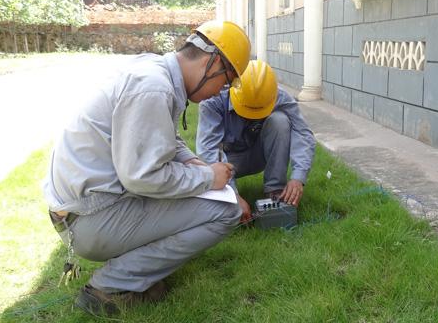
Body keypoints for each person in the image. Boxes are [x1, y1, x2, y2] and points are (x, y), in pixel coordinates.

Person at [42, 20, 251, 317]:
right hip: (90, 219)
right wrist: (208, 177)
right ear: (214, 62)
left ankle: (135, 269)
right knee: (225, 211)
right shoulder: (153, 89)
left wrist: (193, 162)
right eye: (227, 81)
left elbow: (164, 136)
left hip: (84, 207)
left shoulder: (157, 71)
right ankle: (109, 287)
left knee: (196, 193)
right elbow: (143, 177)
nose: (221, 92)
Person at [196, 60, 316, 222]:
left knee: (280, 121)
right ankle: (227, 194)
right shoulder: (213, 100)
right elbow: (208, 150)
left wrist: (298, 177)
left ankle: (275, 190)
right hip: (228, 162)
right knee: (212, 174)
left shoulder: (278, 95)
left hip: (259, 155)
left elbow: (302, 132)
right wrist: (233, 195)